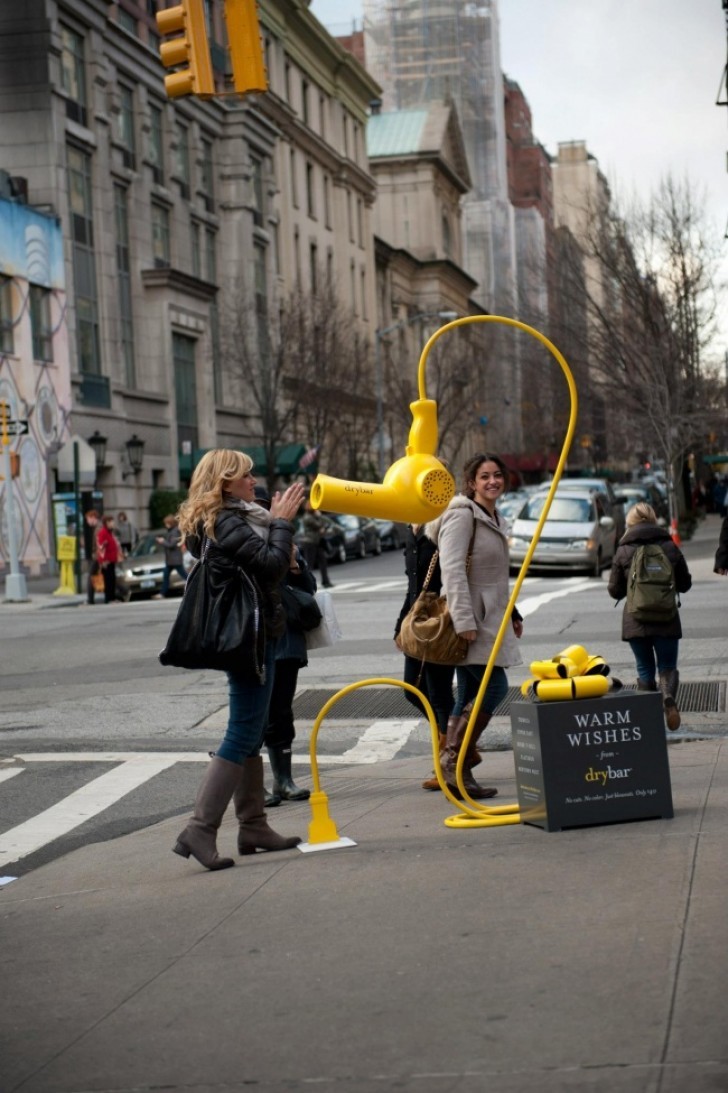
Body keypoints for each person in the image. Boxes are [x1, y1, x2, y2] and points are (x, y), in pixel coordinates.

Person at [173, 449, 306, 871]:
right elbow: (268, 566)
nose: (254, 481)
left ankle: (253, 825)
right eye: (246, 475)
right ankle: (199, 829)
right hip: (246, 639)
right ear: (225, 482)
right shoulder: (227, 520)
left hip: (255, 634)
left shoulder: (238, 517)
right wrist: (282, 523)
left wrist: (279, 529)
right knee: (241, 731)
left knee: (251, 730)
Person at [427, 452, 523, 799]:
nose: (492, 481)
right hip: (472, 621)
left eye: (497, 475)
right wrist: (464, 620)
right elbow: (451, 570)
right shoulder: (462, 514)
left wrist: (512, 613)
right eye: (484, 477)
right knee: (493, 688)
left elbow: (496, 578)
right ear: (471, 482)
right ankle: (454, 762)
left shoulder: (491, 515)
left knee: (468, 694)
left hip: (491, 616)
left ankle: (457, 771)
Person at [608, 502, 692, 731]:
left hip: (636, 621)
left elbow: (614, 590)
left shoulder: (624, 549)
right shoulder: (669, 546)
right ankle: (668, 698)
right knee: (667, 666)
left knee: (644, 668)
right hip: (666, 619)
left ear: (630, 522)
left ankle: (648, 722)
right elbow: (685, 584)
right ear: (654, 519)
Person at [254, 485, 313, 807]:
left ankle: (283, 780)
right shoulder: (246, 543)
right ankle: (254, 784)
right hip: (254, 641)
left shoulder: (285, 541)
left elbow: (309, 588)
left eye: (267, 508)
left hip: (286, 642)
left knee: (281, 713)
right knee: (254, 716)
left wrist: (292, 564)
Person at [394, 523, 459, 792]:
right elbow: (414, 588)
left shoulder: (443, 524)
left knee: (439, 694)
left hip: (441, 621)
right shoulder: (411, 529)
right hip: (419, 620)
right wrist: (401, 625)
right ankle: (458, 746)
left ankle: (448, 763)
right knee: (413, 690)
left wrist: (511, 612)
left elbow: (468, 572)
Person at [299, 498, 333, 588]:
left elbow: (322, 528)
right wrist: (319, 516)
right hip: (310, 543)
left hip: (317, 542)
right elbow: (319, 526)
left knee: (323, 561)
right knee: (309, 564)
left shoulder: (312, 516)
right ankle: (306, 583)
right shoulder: (308, 518)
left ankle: (326, 581)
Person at [155, 514, 187, 598]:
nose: (165, 525)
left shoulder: (175, 531)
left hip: (175, 559)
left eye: (166, 523)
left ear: (170, 523)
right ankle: (162, 593)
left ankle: (195, 586)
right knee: (166, 576)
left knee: (184, 575)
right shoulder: (172, 531)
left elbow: (171, 545)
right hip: (171, 560)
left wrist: (162, 541)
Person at [96, 514, 122, 604]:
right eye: (111, 522)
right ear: (107, 523)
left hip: (112, 560)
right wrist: (102, 560)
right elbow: (101, 547)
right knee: (108, 580)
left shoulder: (110, 532)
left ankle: (112, 598)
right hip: (106, 561)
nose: (113, 523)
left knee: (112, 579)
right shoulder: (103, 533)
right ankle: (109, 598)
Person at [84, 509, 101, 605]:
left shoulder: (98, 528)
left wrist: (96, 555)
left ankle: (90, 599)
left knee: (91, 576)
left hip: (98, 557)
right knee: (106, 576)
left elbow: (99, 544)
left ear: (93, 518)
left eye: (88, 519)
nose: (87, 522)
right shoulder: (99, 527)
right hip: (99, 556)